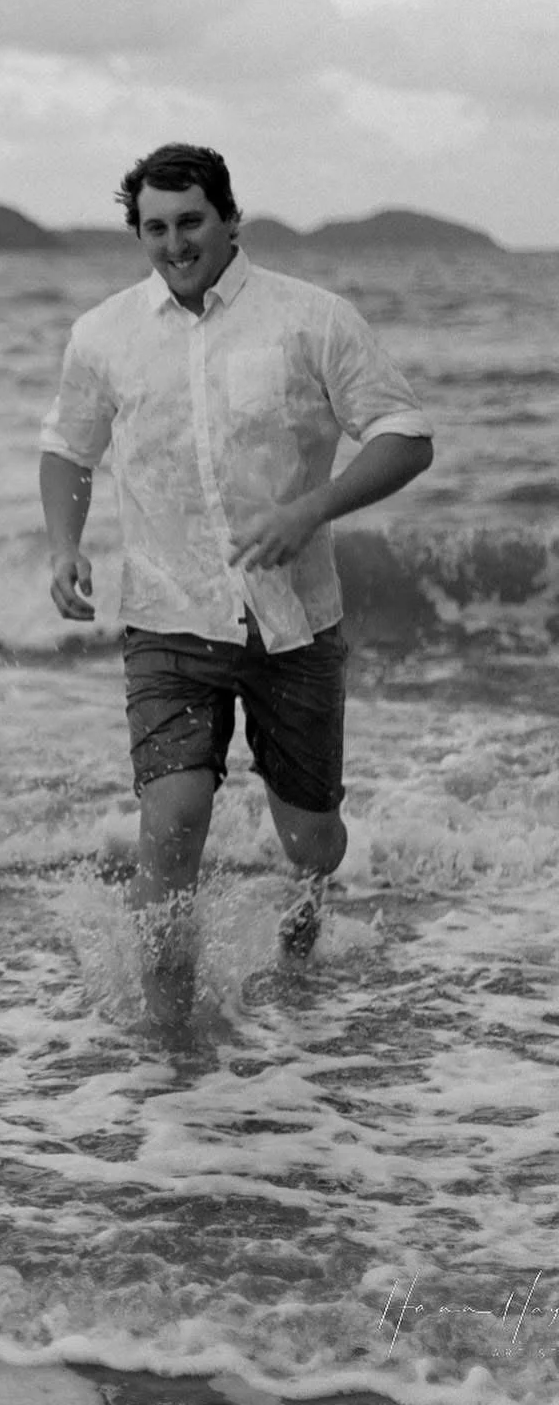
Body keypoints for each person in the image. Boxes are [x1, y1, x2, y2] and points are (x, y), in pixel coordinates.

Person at [39, 144, 433, 1009]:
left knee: (310, 838)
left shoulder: (311, 318)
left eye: (190, 223)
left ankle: (307, 910)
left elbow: (406, 433)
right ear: (137, 230)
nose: (174, 244)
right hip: (169, 619)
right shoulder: (103, 335)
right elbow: (69, 448)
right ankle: (170, 1028)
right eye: (154, 227)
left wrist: (310, 510)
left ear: (228, 219)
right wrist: (65, 545)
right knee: (174, 820)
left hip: (295, 621)